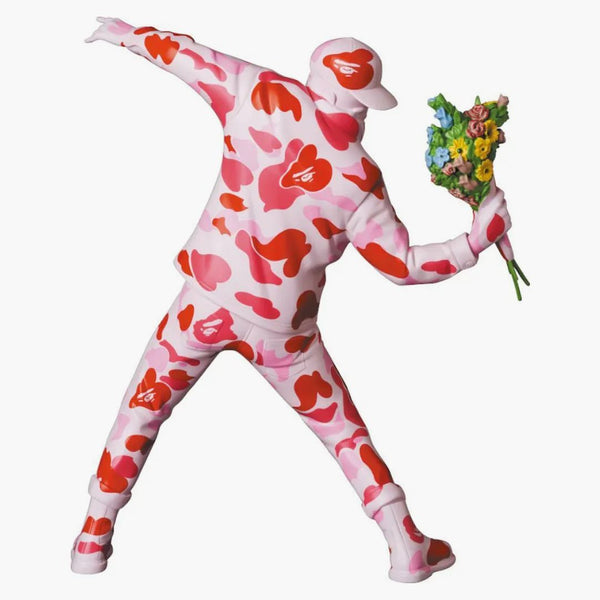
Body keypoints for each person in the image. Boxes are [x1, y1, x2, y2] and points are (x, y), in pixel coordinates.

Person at [71, 17, 511, 583]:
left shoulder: (260, 94)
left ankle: (92, 537)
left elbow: (186, 56)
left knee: (142, 406)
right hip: (286, 334)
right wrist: (473, 242)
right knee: (343, 432)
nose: (362, 114)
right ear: (357, 99)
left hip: (204, 303)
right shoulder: (361, 179)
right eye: (364, 103)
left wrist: (127, 34)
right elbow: (402, 267)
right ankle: (406, 547)